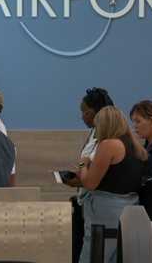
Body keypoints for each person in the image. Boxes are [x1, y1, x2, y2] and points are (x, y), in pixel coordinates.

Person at [78, 106, 146, 263]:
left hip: (104, 212)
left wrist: (83, 164)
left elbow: (89, 183)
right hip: (129, 210)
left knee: (94, 254)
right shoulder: (135, 146)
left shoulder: (109, 145)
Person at [63, 87, 114, 263]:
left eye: (84, 112)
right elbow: (85, 163)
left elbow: (91, 170)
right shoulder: (94, 134)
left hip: (98, 204)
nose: (82, 116)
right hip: (85, 201)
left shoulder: (108, 140)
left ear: (93, 113)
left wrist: (82, 174)